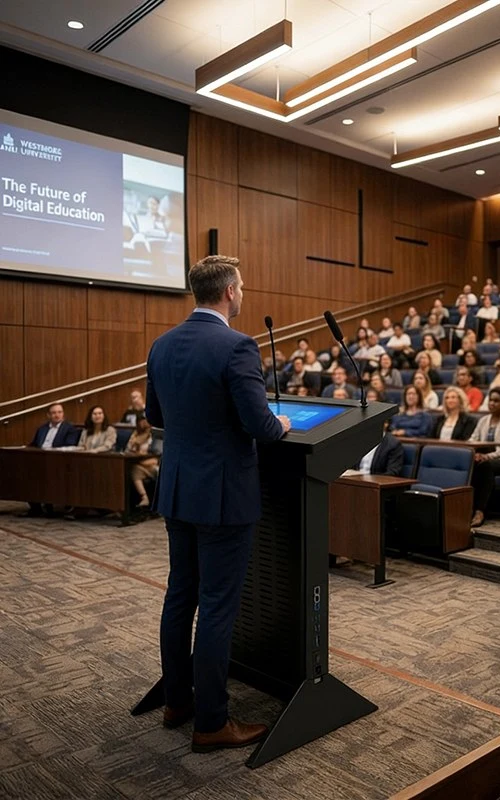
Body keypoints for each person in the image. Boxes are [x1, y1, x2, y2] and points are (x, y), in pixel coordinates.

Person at [145, 255, 290, 752]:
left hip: (178, 489)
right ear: (229, 291)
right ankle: (211, 722)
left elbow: (156, 415)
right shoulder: (237, 345)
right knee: (217, 607)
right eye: (241, 286)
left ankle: (176, 702)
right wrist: (280, 424)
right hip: (223, 497)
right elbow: (259, 425)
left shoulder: (162, 345)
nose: (242, 293)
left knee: (179, 597)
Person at [469, 387, 500, 527]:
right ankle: (464, 507)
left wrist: (489, 456)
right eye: (490, 400)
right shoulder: (483, 420)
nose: (492, 403)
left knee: (485, 466)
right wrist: (473, 453)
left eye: (496, 401)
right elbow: (473, 439)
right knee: (472, 464)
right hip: (483, 459)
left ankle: (480, 511)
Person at [125, 415, 160, 507]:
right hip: (136, 463)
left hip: (152, 466)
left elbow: (156, 458)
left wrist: (140, 461)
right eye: (141, 420)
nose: (143, 423)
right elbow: (128, 449)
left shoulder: (155, 435)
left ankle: (144, 498)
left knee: (135, 469)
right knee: (127, 469)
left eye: (145, 420)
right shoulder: (135, 434)